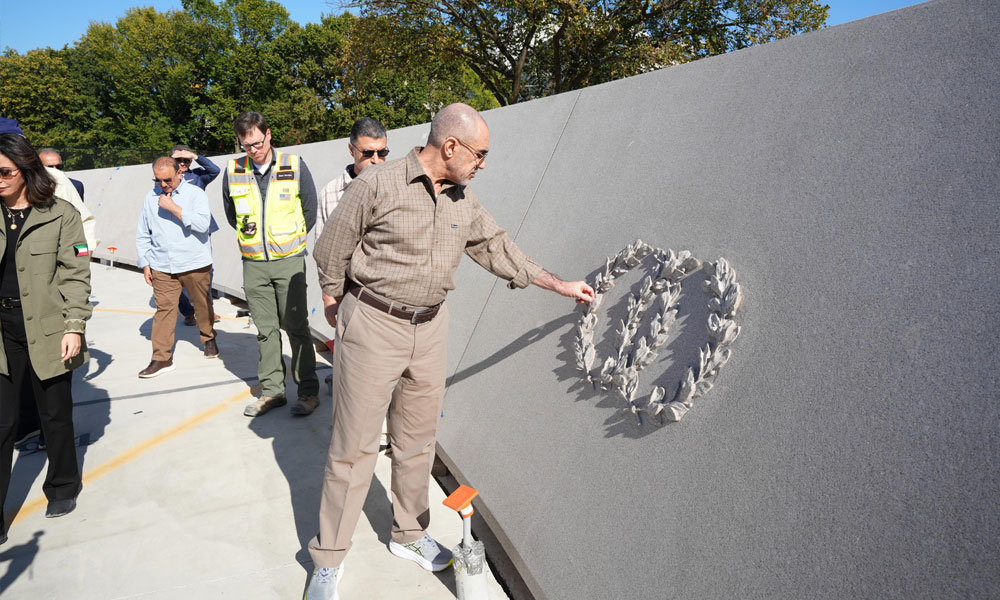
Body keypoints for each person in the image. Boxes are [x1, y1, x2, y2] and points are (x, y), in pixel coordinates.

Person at [305, 103, 594, 598]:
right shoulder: (377, 184)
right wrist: (334, 300)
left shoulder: (463, 200)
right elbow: (331, 251)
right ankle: (328, 559)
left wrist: (560, 285)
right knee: (353, 450)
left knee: (417, 441)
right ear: (451, 146)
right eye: (480, 154)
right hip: (373, 324)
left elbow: (498, 248)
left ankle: (409, 534)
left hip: (430, 328)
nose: (483, 164)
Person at [0, 133, 92, 545]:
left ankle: (63, 484)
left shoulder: (62, 215)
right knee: (2, 422)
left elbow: (76, 274)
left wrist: (74, 325)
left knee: (54, 413)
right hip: (2, 330)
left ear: (25, 170)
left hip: (49, 327)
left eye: (5, 172)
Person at [221, 111, 319, 417]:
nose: (253, 150)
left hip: (289, 261)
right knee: (265, 331)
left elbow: (310, 209)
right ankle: (273, 391)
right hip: (254, 263)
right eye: (246, 145)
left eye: (258, 143)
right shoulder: (233, 170)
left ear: (269, 135)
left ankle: (308, 391)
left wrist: (287, 241)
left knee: (297, 327)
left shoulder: (294, 165)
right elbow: (232, 214)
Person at [135, 157, 218, 378]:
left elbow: (203, 225)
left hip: (194, 263)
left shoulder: (195, 194)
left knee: (202, 305)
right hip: (162, 265)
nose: (163, 185)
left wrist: (174, 208)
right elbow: (143, 233)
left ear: (180, 173)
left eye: (168, 180)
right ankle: (161, 358)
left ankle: (209, 337)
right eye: (158, 180)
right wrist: (145, 262)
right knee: (164, 310)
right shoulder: (150, 197)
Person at [170, 144, 221, 327]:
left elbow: (215, 170)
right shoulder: (166, 179)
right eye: (178, 160)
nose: (183, 163)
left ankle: (207, 309)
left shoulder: (198, 175)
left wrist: (196, 155)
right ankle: (188, 311)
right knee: (180, 272)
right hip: (178, 230)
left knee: (205, 270)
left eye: (186, 160)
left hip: (201, 230)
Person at [314, 117, 389, 242]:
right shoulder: (330, 193)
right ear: (351, 149)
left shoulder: (396, 188)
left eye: (382, 152)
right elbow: (322, 245)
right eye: (367, 153)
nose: (376, 160)